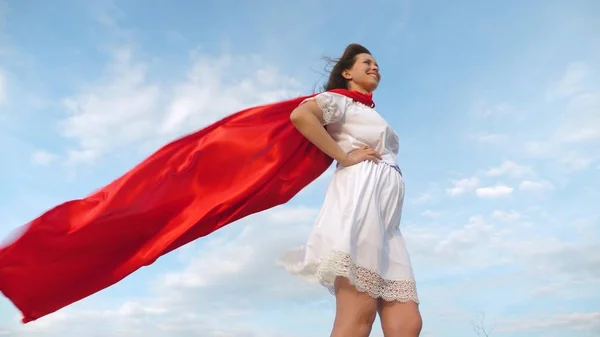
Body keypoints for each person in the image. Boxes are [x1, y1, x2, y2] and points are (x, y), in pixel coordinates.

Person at [279, 44, 422, 337]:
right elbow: (301, 116)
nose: (375, 67)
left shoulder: (365, 110)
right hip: (360, 204)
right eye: (367, 62)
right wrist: (343, 156)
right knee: (359, 313)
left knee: (407, 322)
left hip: (388, 222)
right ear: (346, 72)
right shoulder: (339, 101)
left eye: (377, 64)